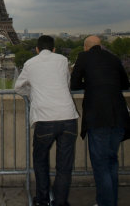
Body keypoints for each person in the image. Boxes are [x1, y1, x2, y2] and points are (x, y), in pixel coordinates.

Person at [15, 35, 78, 206]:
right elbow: (66, 82)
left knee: (40, 161)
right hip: (68, 117)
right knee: (64, 166)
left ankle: (42, 200)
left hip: (45, 117)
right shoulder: (63, 60)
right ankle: (60, 202)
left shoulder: (30, 63)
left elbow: (18, 87)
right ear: (54, 49)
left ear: (37, 49)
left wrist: (32, 94)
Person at [71, 35, 130, 206]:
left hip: (98, 118)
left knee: (101, 164)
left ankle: (105, 203)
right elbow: (125, 84)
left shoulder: (83, 57)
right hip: (119, 117)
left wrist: (90, 84)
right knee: (112, 161)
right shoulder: (113, 58)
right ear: (101, 45)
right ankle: (110, 201)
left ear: (85, 47)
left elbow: (74, 85)